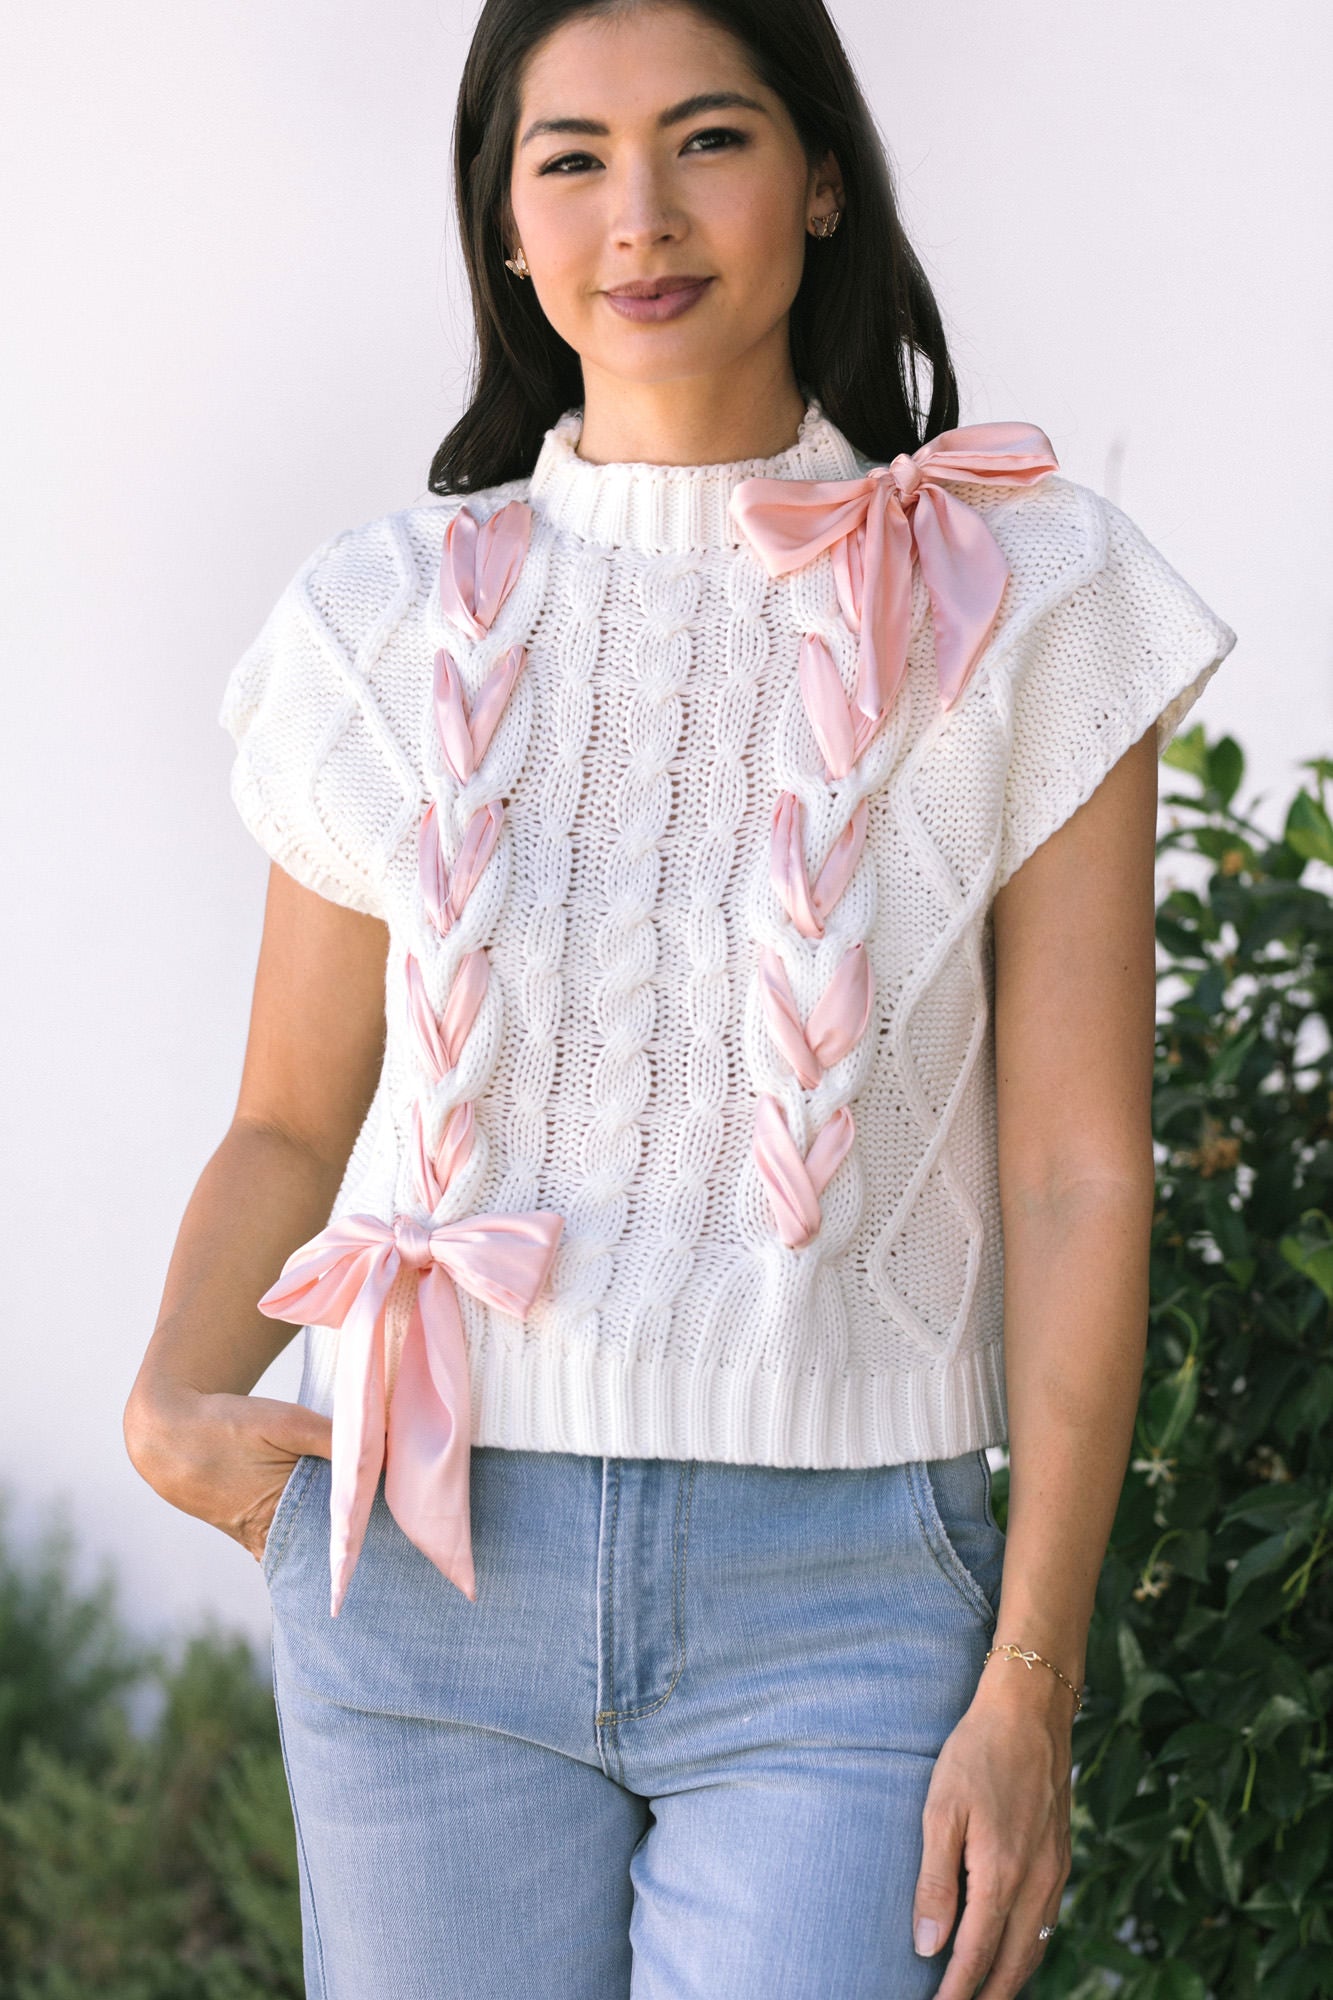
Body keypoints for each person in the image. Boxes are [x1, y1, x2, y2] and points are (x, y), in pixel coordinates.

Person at [122, 1, 1237, 1994]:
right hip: (422, 1578)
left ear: (821, 180)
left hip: (849, 1607)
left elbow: (1076, 1168)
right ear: (504, 223)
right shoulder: (376, 621)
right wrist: (170, 1402)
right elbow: (290, 1115)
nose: (636, 215)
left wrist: (1031, 1680)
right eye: (569, 159)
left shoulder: (1022, 592)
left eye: (706, 138)